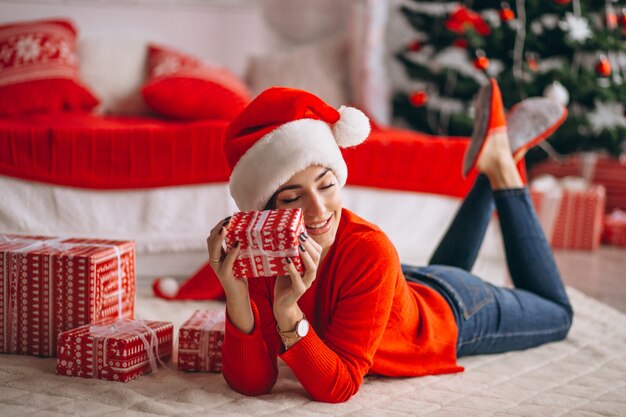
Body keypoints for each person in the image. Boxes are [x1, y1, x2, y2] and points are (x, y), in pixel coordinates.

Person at [206, 82, 573, 403]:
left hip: (455, 309)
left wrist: (287, 314)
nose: (318, 209)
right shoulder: (263, 252)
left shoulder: (369, 249)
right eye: (291, 198)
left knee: (558, 314)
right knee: (417, 277)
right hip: (404, 287)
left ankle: (503, 166)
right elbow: (253, 383)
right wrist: (236, 295)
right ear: (266, 212)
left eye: (327, 184)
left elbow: (340, 385)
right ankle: (494, 157)